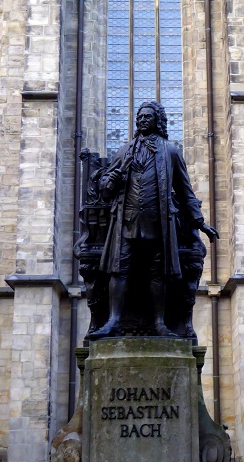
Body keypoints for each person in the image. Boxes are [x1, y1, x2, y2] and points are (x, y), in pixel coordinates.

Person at [88, 101, 218, 339]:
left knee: (157, 272)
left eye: (147, 116)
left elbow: (185, 190)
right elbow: (104, 191)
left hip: (158, 224)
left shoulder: (170, 151)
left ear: (158, 121)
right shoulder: (125, 150)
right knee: (120, 270)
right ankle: (114, 321)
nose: (142, 120)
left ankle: (159, 323)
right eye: (139, 117)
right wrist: (113, 178)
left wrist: (200, 222)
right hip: (126, 222)